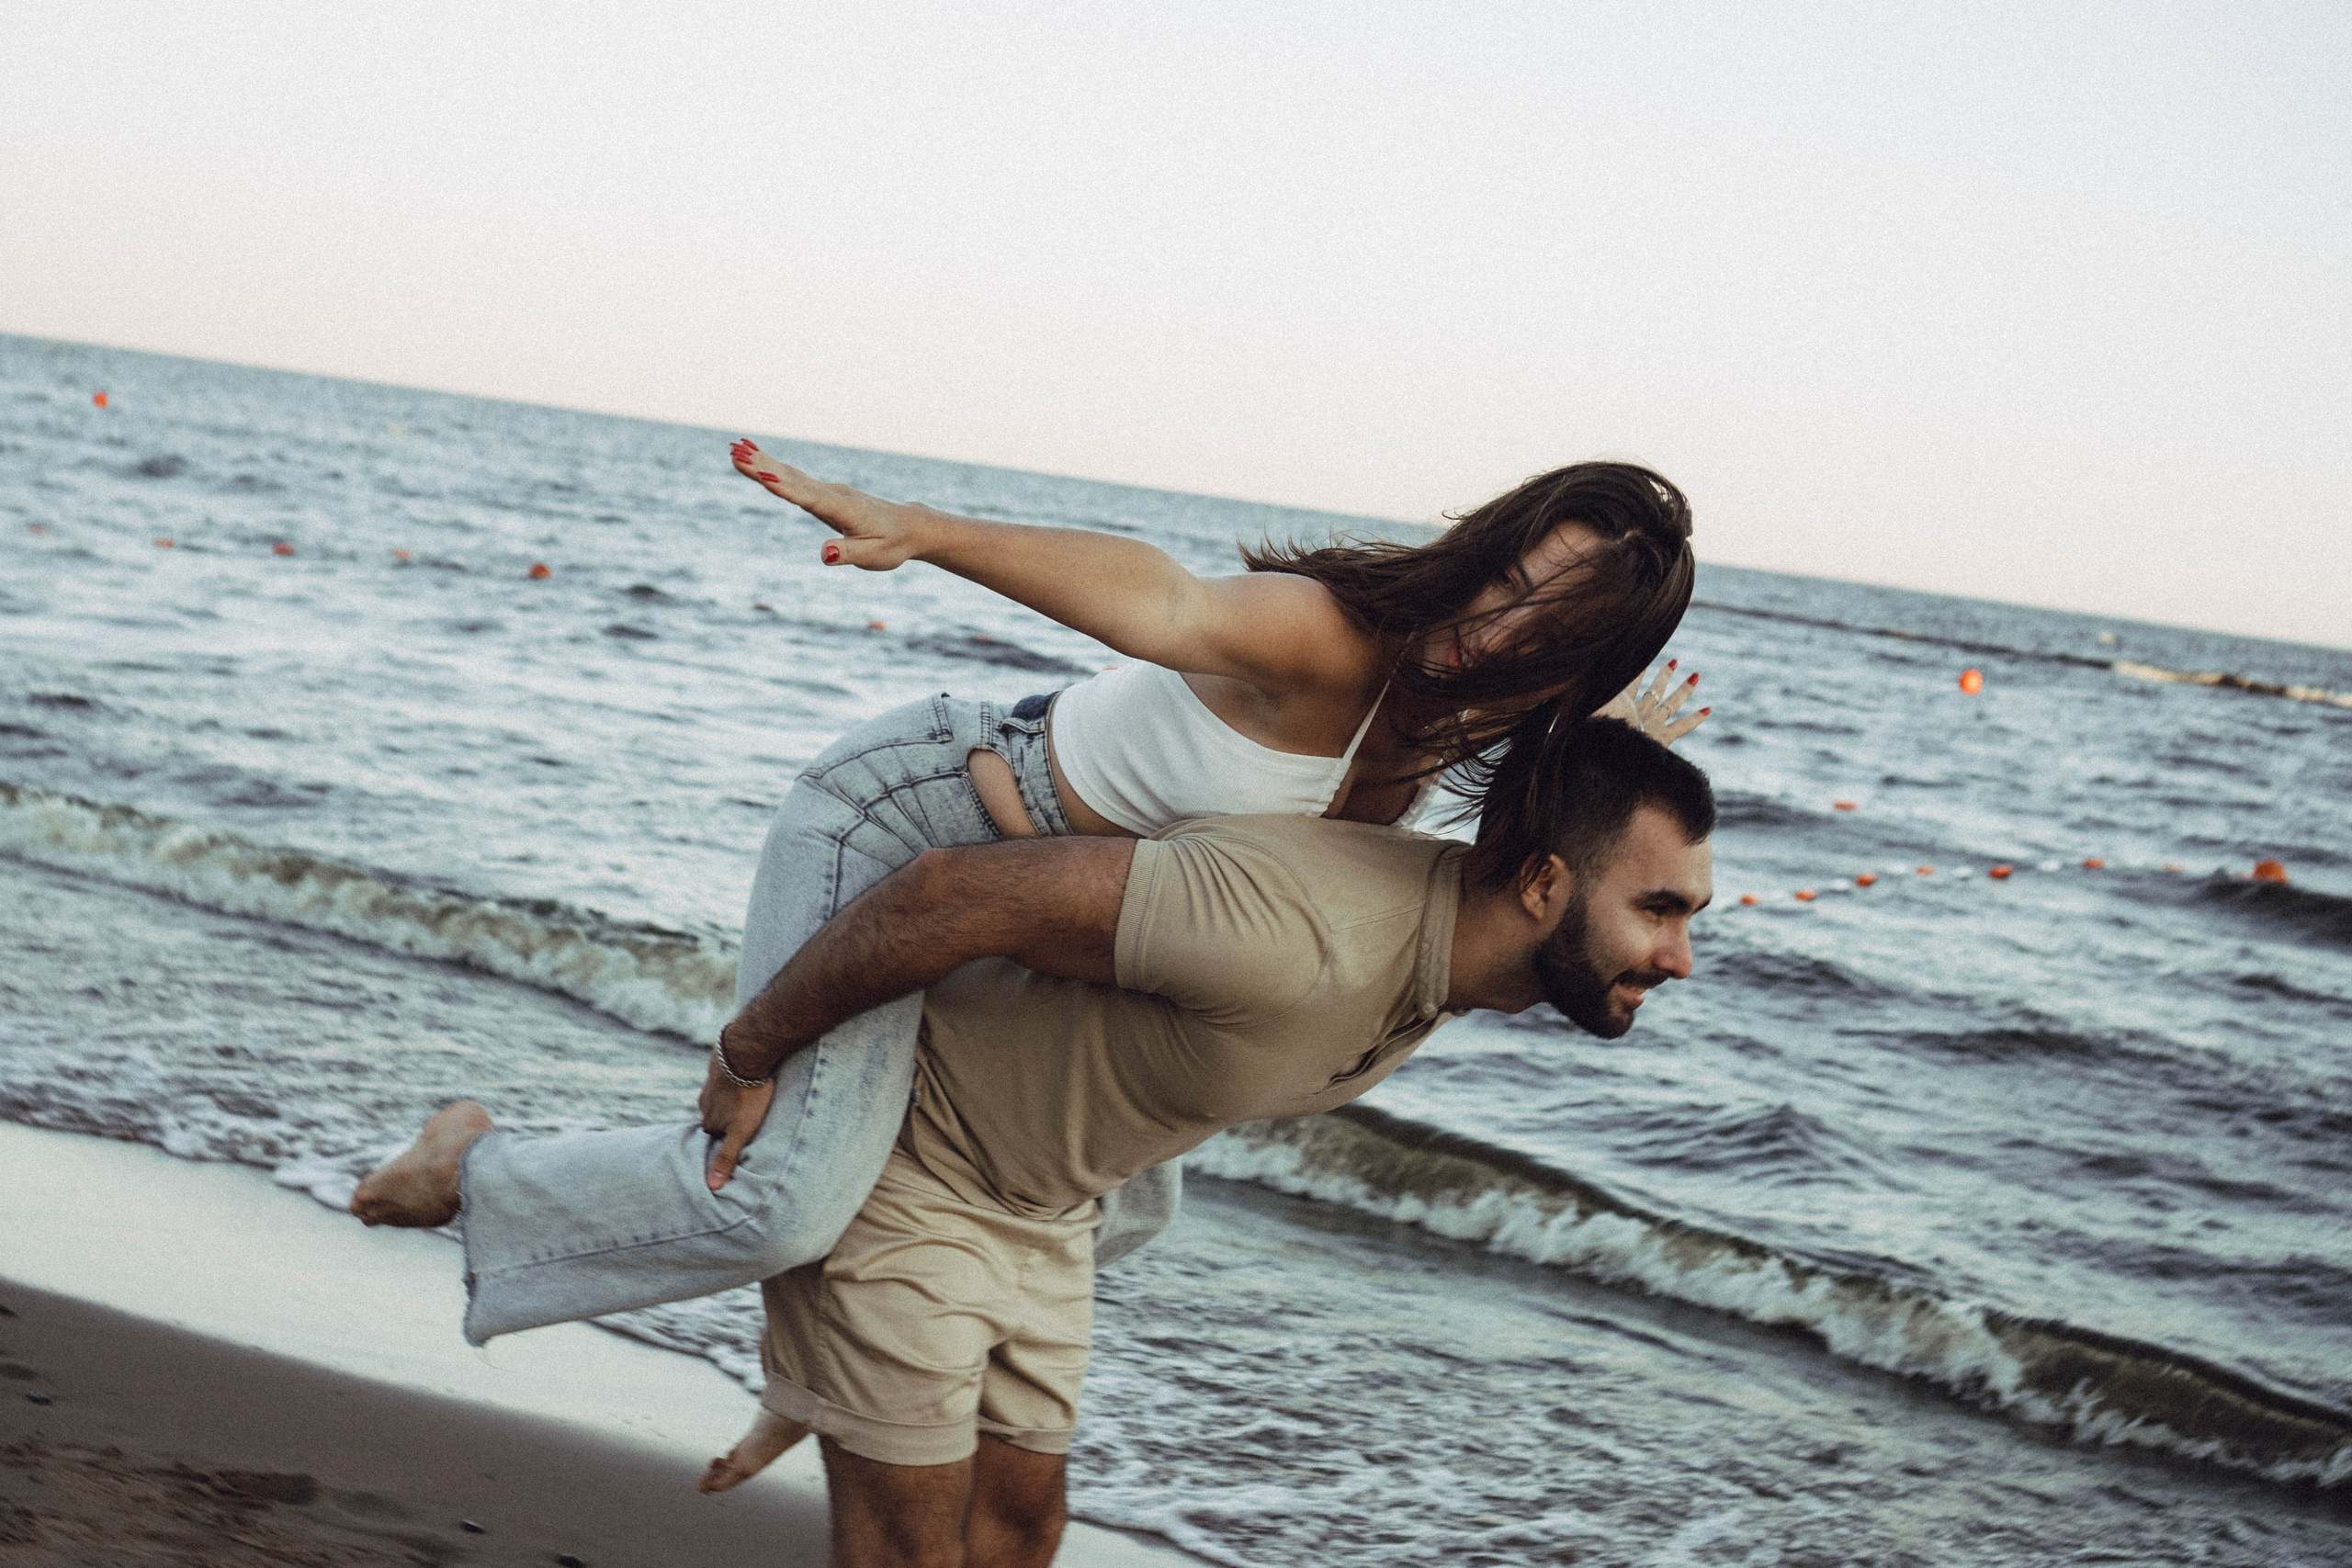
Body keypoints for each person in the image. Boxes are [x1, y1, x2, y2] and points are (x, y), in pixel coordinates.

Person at [351, 450, 1706, 1352]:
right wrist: (930, 533)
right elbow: (1163, 602)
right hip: (912, 823)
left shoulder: (1463, 731)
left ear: (1575, 666)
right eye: (1505, 579)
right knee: (778, 1201)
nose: (1492, 621)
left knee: (1122, 1209)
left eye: (1546, 626)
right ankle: (469, 1166)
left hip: (1046, 898)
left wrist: (1612, 731)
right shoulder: (1332, 638)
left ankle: (855, 1364)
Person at [389, 715, 1714, 1567]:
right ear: (1543, 883)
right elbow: (952, 891)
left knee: (1020, 1529)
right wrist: (747, 1055)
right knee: (909, 1554)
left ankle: (820, 1375)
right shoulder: (1299, 929)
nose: (1682, 955)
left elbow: (1384, 764)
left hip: (1053, 1204)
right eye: (1661, 909)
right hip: (911, 1166)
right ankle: (469, 1168)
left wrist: (1594, 765)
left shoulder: (1461, 942)